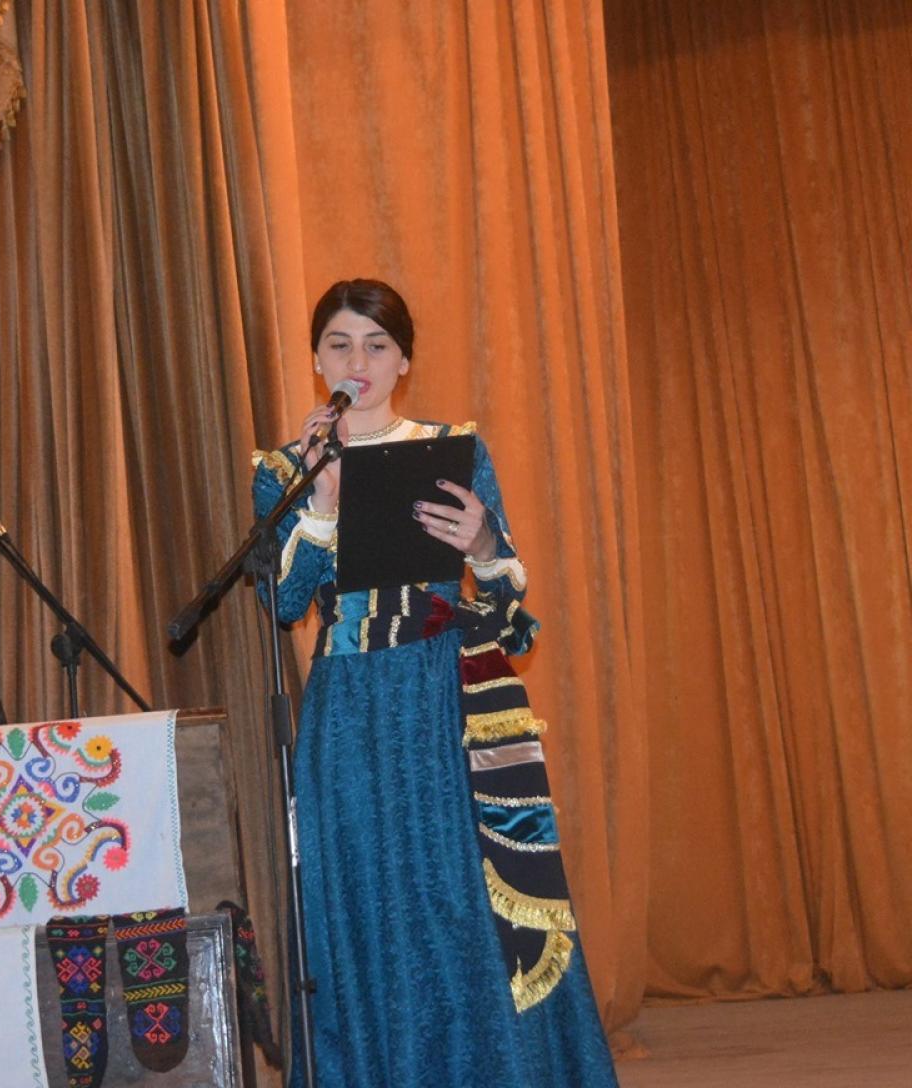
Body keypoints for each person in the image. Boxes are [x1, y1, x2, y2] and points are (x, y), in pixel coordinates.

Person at [251, 279, 619, 1087]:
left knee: (457, 893)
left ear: (403, 360)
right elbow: (282, 602)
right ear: (317, 360)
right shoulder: (284, 469)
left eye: (376, 345)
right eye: (340, 344)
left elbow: (510, 596)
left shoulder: (453, 449)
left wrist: (484, 544)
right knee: (365, 895)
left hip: (443, 695)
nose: (358, 361)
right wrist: (319, 499)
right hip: (348, 708)